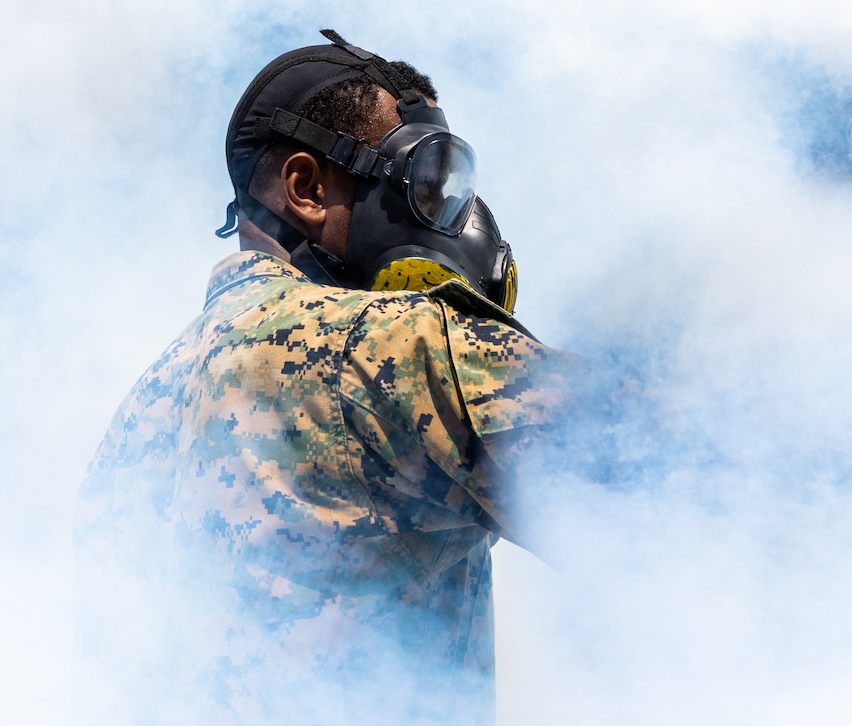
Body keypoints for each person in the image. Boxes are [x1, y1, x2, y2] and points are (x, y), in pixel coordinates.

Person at [74, 30, 575, 725]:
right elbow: (686, 479)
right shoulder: (389, 345)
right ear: (307, 188)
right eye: (429, 182)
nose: (453, 219)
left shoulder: (132, 428)